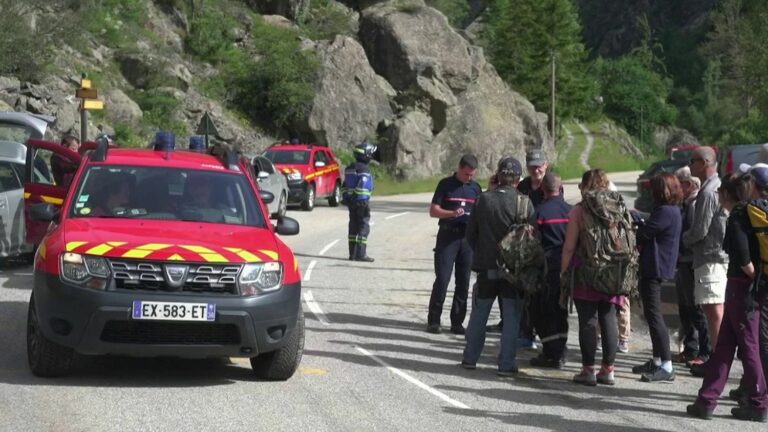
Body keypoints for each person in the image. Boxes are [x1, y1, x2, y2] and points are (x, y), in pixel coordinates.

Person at [686, 171, 767, 422]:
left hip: (743, 289)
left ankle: (759, 403)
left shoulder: (739, 216)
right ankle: (706, 400)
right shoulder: (753, 213)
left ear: (725, 194)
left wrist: (756, 279)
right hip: (746, 289)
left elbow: (743, 259)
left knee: (749, 346)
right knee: (723, 346)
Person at [461, 156, 533, 376]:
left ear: (498, 176)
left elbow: (470, 235)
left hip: (487, 267)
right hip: (514, 271)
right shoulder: (525, 202)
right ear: (519, 179)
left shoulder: (483, 200)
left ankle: (470, 358)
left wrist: (482, 254)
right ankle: (505, 363)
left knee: (480, 313)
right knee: (511, 317)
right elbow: (531, 240)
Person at [561, 169, 626, 386]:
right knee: (608, 317)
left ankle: (588, 369)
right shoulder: (617, 207)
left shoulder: (579, 211)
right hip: (612, 270)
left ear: (584, 186)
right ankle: (608, 369)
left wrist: (563, 270)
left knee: (587, 320)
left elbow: (570, 246)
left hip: (585, 270)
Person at [631, 173, 683, 382]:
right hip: (658, 265)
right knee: (651, 313)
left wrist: (637, 223)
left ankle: (666, 365)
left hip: (655, 267)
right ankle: (657, 359)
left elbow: (644, 235)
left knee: (654, 315)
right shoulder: (671, 211)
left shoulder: (664, 211)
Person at [684, 147, 729, 377]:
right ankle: (717, 359)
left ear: (704, 162)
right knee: (713, 310)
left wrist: (683, 239)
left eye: (692, 162)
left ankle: (718, 363)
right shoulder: (712, 188)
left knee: (714, 311)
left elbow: (700, 229)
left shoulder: (709, 190)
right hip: (713, 257)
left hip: (711, 258)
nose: (689, 166)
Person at [427, 154, 482, 334]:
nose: (469, 178)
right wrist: (451, 214)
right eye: (466, 174)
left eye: (472, 175)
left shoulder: (475, 188)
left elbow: (480, 213)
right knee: (442, 279)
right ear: (459, 168)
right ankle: (434, 320)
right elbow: (433, 211)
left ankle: (457, 322)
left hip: (467, 240)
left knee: (463, 282)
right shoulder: (445, 184)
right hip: (447, 237)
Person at [529, 173, 572, 369]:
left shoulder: (539, 213)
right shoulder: (571, 211)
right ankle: (561, 350)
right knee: (561, 309)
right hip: (569, 267)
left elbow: (532, 244)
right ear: (560, 188)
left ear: (542, 190)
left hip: (547, 268)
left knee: (543, 311)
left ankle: (551, 353)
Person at [674, 166, 711, 366]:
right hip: (685, 261)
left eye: (678, 185)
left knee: (694, 308)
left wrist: (681, 243)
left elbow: (697, 232)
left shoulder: (695, 205)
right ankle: (691, 348)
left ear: (687, 185)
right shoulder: (688, 203)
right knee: (686, 307)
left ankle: (702, 350)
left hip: (690, 262)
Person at [342, 141, 376, 262]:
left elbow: (345, 185)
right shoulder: (365, 170)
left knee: (353, 226)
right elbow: (363, 185)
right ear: (366, 155)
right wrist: (358, 197)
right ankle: (361, 254)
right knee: (363, 227)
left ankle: (352, 254)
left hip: (351, 203)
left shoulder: (349, 168)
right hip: (361, 203)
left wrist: (347, 198)